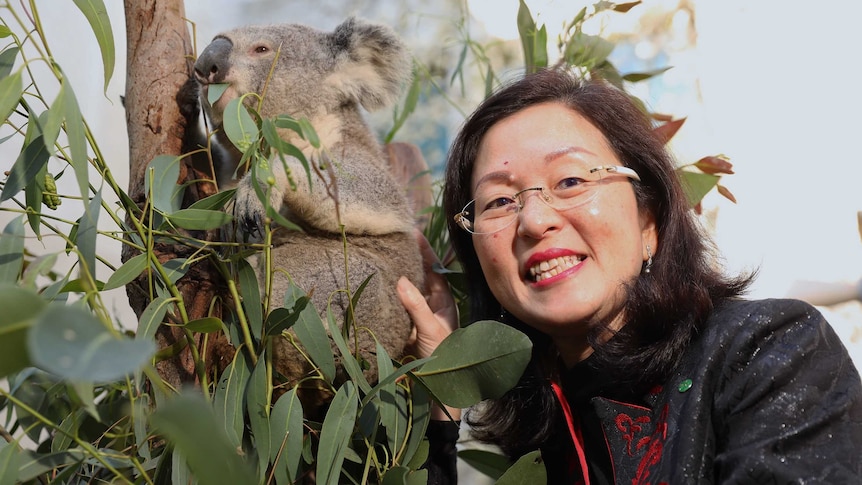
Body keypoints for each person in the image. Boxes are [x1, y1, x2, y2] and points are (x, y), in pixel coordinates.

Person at [396, 67, 862, 484]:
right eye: (498, 201)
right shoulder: (535, 443)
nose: (534, 220)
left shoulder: (768, 354)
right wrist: (442, 396)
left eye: (571, 180)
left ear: (649, 223)